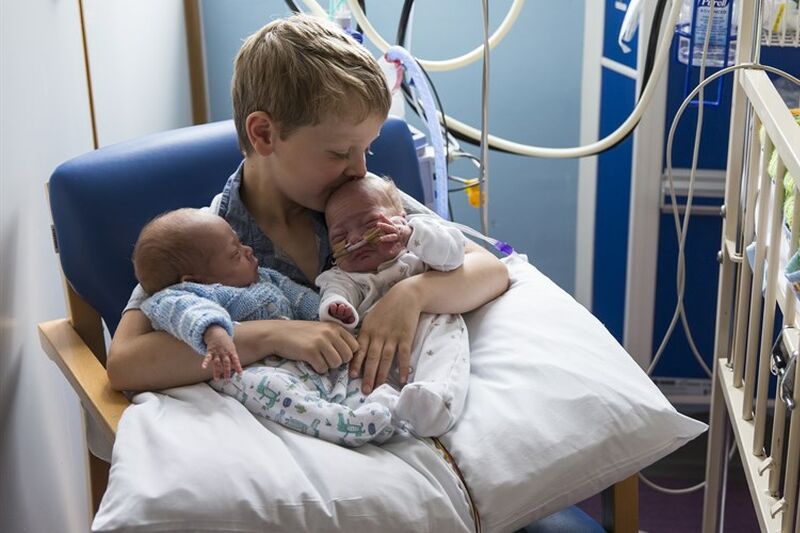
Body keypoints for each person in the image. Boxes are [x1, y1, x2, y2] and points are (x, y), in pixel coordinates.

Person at [106, 13, 508, 402]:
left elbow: (489, 269)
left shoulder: (355, 200)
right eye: (339, 152)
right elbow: (125, 362)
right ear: (264, 134)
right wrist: (274, 334)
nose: (360, 168)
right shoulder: (211, 240)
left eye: (366, 149)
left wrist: (411, 294)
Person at [132, 208, 396, 446]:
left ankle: (381, 415)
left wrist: (333, 313)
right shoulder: (184, 294)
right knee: (277, 392)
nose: (248, 250)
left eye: (241, 243)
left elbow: (301, 299)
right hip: (246, 368)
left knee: (341, 374)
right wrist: (215, 332)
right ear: (195, 279)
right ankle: (345, 426)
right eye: (235, 254)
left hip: (298, 360)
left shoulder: (267, 278)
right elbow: (188, 311)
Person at [317, 174, 469, 436]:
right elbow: (334, 293)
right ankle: (382, 407)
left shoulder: (416, 249)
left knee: (445, 335)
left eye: (370, 224)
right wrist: (337, 307)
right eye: (340, 236)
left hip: (426, 330)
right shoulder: (344, 275)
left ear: (400, 217)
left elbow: (454, 255)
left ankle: (436, 400)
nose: (354, 240)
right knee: (356, 370)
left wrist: (411, 235)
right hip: (375, 349)